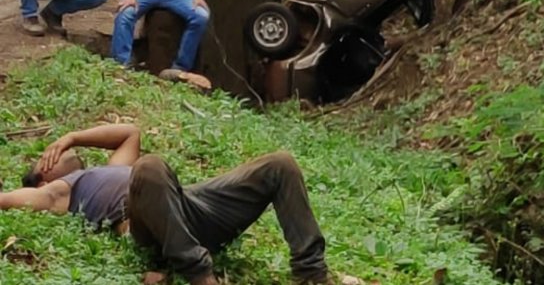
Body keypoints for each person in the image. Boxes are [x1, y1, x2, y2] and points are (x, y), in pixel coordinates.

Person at [0, 124, 334, 285]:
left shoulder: (108, 169)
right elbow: (7, 201)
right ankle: (201, 276)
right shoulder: (59, 191)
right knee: (148, 166)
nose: (50, 153)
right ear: (43, 178)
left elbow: (130, 134)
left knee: (280, 164)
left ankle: (311, 275)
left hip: (187, 204)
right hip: (147, 224)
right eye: (44, 158)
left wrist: (70, 137)